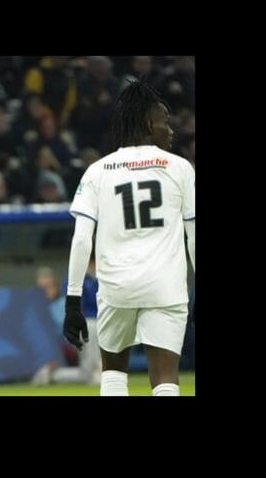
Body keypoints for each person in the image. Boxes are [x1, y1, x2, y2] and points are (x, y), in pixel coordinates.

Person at [64, 79, 195, 396]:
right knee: (165, 377)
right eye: (166, 122)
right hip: (165, 287)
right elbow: (194, 236)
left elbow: (82, 239)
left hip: (117, 287)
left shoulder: (98, 170)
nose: (172, 130)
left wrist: (72, 300)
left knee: (113, 374)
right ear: (151, 125)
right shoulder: (180, 168)